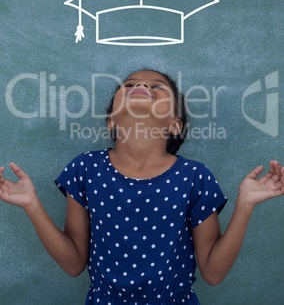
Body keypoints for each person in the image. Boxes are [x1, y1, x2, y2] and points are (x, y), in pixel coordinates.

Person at [0, 69, 283, 305]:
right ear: (112, 121)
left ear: (174, 125)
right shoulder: (86, 168)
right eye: (130, 85)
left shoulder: (195, 176)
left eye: (156, 87)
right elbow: (74, 263)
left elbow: (213, 271)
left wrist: (245, 205)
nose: (142, 86)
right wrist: (32, 205)